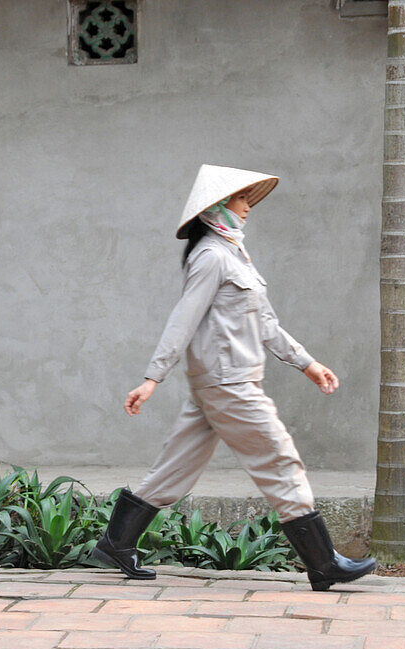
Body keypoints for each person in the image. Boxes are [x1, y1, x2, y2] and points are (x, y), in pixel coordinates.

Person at [91, 164, 376, 591]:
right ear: (217, 207)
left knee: (174, 468)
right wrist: (153, 378)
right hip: (229, 386)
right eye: (241, 200)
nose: (247, 208)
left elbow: (264, 322)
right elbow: (182, 321)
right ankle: (323, 564)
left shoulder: (233, 254)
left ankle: (116, 543)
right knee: (281, 462)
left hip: (217, 384)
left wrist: (306, 362)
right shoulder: (211, 256)